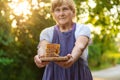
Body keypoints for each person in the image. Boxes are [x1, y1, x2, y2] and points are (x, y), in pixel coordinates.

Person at [34, 0, 93, 80]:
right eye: (57, 10)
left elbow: (80, 46)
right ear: (53, 14)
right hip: (53, 76)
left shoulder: (82, 29)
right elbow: (43, 47)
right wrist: (40, 57)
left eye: (65, 9)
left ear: (73, 12)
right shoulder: (47, 32)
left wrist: (72, 58)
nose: (61, 14)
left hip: (79, 75)